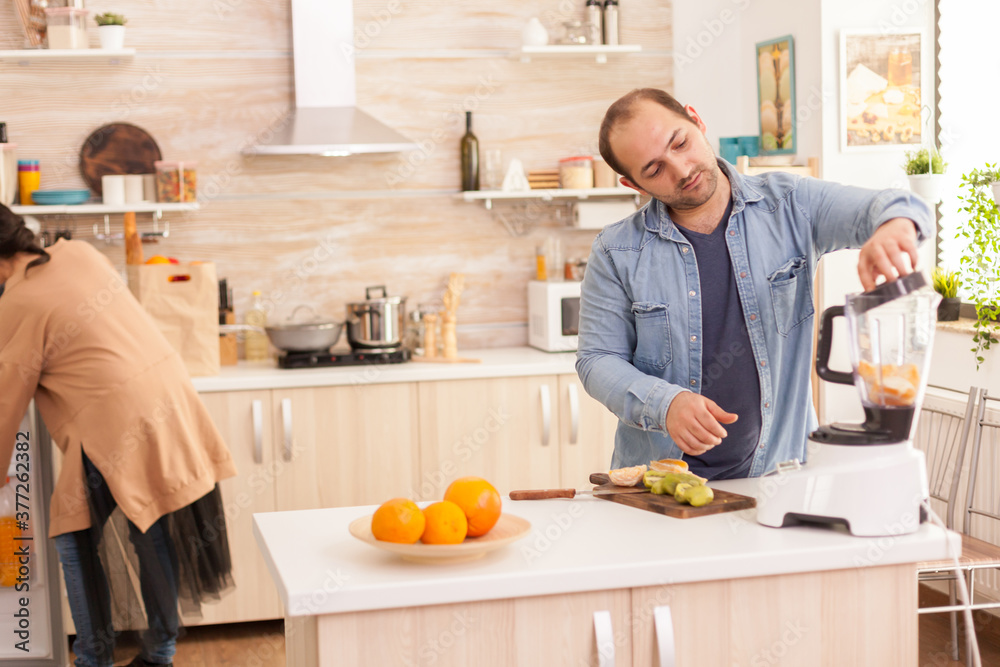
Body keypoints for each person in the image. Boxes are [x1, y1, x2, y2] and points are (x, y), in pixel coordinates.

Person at [576, 88, 932, 479]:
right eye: (655, 169)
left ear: (696, 119)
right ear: (634, 186)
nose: (681, 170)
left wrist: (893, 228)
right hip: (659, 487)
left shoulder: (792, 203)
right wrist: (666, 403)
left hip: (780, 477)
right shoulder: (616, 250)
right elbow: (597, 360)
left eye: (681, 143)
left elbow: (894, 205)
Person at [0, 204, 238, 667]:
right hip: (168, 399)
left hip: (111, 422)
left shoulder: (16, 303)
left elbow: (7, 397)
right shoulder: (80, 253)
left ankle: (94, 657)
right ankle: (160, 651)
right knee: (150, 528)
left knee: (73, 535)